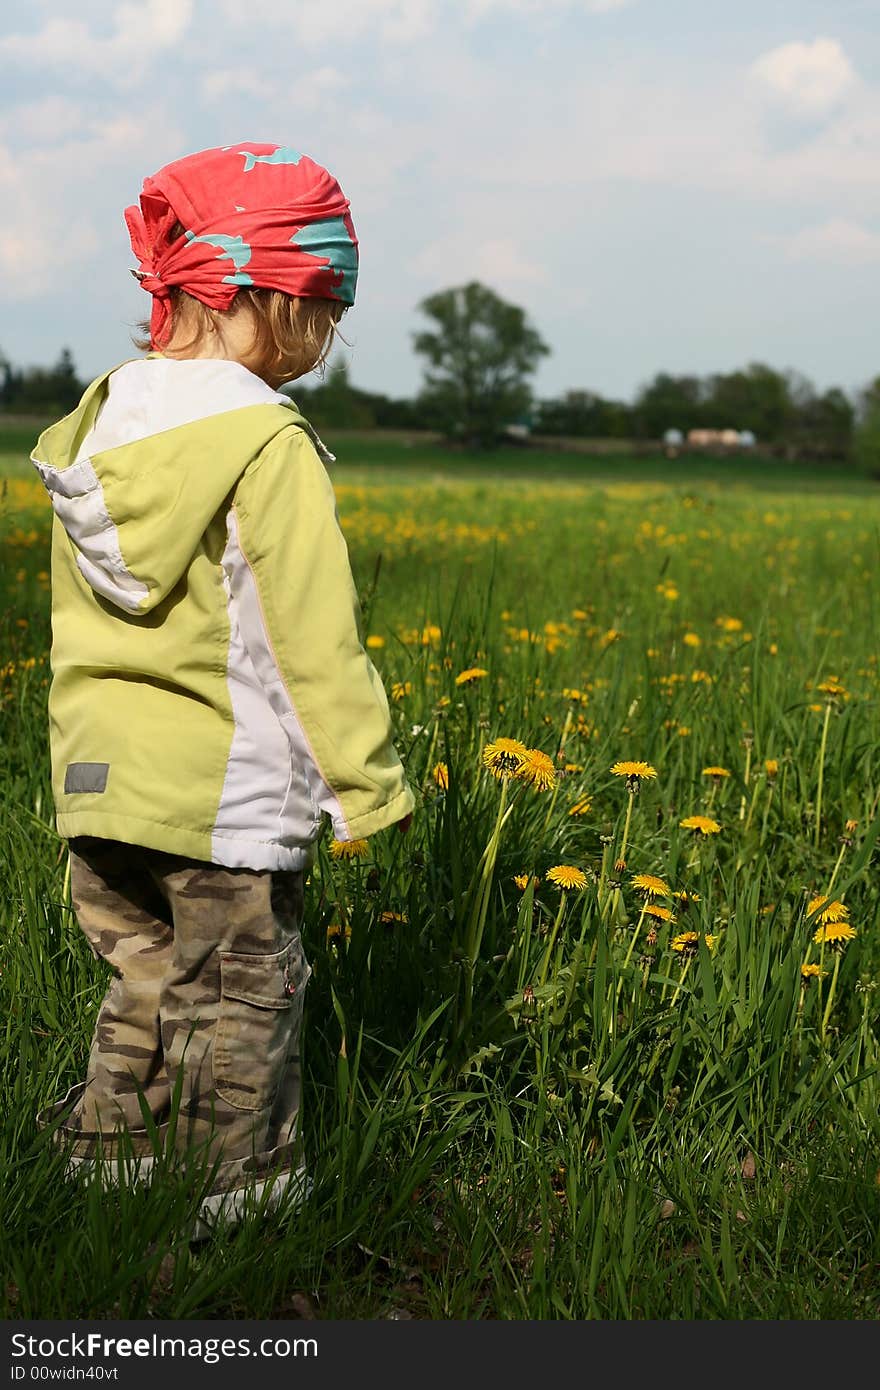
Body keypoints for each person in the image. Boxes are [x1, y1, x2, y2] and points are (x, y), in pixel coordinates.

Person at [31, 142, 415, 1230]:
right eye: (323, 313)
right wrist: (363, 783)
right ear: (263, 296)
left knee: (143, 979)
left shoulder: (100, 425)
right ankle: (239, 1200)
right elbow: (310, 636)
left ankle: (109, 1164)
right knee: (242, 997)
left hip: (99, 784)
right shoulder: (263, 439)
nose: (320, 345)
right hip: (221, 795)